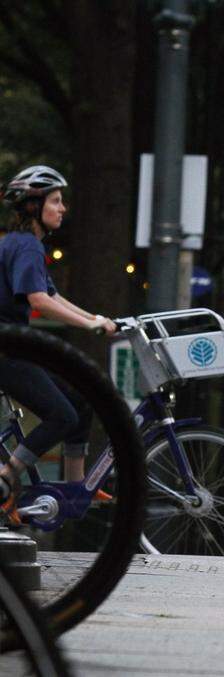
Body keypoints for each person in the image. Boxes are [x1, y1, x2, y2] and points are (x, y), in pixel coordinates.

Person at [0, 165, 118, 511]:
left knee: (80, 402)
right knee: (62, 416)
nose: (62, 208)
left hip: (16, 349)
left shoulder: (24, 243)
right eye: (55, 200)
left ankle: (75, 490)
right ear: (34, 207)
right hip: (7, 353)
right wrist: (90, 325)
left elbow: (52, 296)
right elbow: (39, 302)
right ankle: (8, 476)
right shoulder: (26, 247)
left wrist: (94, 319)